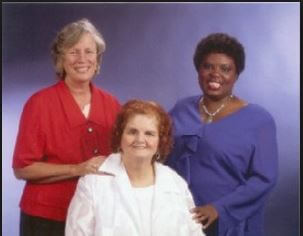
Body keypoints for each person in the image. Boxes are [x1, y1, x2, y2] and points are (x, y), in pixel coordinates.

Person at [12, 18, 120, 236]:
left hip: (98, 218)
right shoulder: (39, 104)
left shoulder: (112, 104)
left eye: (89, 52)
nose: (82, 59)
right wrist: (77, 168)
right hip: (47, 220)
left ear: (97, 59)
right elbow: (22, 168)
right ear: (60, 59)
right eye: (73, 51)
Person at [165, 33, 278, 236]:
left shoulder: (259, 120)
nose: (215, 74)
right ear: (198, 70)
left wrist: (218, 209)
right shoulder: (181, 108)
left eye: (225, 69)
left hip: (231, 224)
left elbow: (264, 179)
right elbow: (160, 155)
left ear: (236, 75)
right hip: (181, 218)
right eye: (208, 66)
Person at [65, 99, 205, 236]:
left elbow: (195, 232)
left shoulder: (175, 183)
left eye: (149, 133)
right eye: (132, 132)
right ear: (119, 136)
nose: (140, 140)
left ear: (160, 141)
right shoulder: (92, 184)